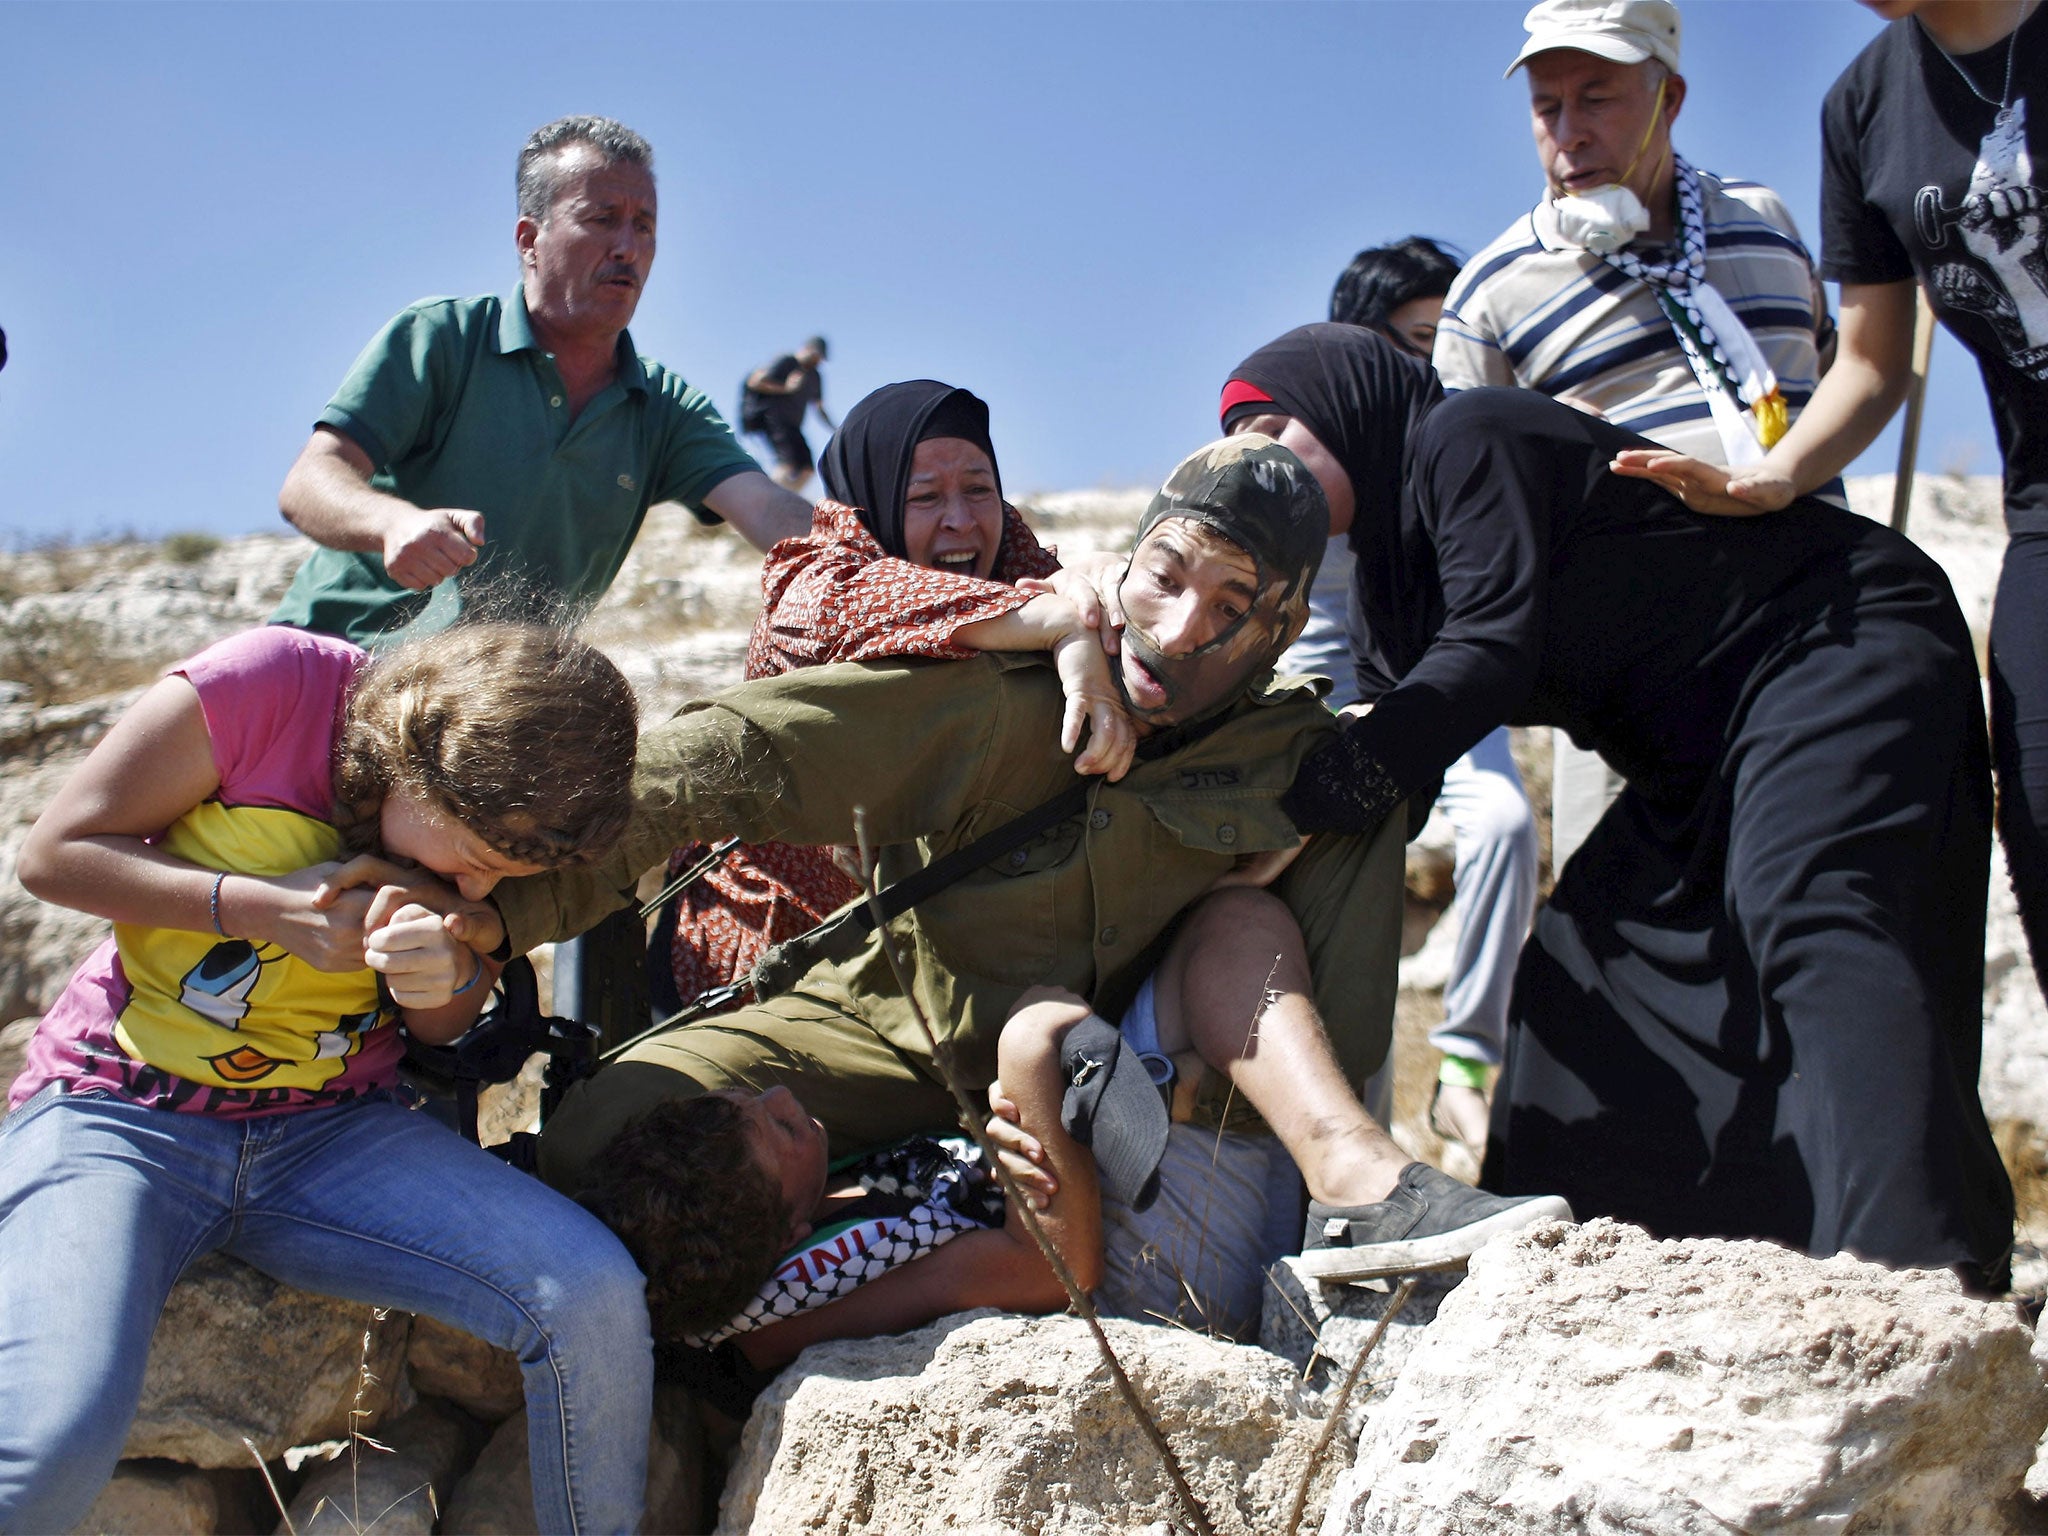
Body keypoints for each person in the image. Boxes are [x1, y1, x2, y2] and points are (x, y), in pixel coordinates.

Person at [466, 435, 1570, 1301]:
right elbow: (731, 762)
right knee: (591, 1145)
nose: (1179, 630)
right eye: (1164, 577)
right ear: (1123, 563)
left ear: (1281, 630)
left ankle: (1342, 1210)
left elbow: (1335, 1029)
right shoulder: (1014, 692)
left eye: (1232, 609)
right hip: (873, 1029)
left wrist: (1161, 1089)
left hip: (1082, 1073)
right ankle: (818, 1277)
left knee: (1217, 974)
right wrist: (493, 909)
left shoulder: (1301, 767)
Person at [1225, 321, 2012, 1292]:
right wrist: (1258, 825)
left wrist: (1310, 800)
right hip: (1697, 759)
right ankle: (1592, 1279)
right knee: (1580, 961)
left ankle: (1923, 1272)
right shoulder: (1390, 585)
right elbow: (1402, 753)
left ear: (1345, 405)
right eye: (1236, 445)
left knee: (1807, 914)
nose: (1256, 465)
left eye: (1272, 430)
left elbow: (1485, 657)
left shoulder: (1466, 438)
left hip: (1829, 644)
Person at [0, 623, 653, 1533]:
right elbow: (54, 854)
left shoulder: (488, 834)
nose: (472, 888)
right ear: (422, 759)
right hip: (120, 1110)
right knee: (47, 1446)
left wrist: (445, 979)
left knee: (591, 1293)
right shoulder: (273, 688)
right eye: (472, 857)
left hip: (333, 1132)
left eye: (499, 878)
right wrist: (268, 912)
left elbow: (445, 1022)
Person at [1612, 0, 2048, 985]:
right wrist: (1768, 478)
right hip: (2040, 505)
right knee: (2034, 814)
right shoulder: (1863, 105)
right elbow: (1867, 361)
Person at [1432, 0, 1838, 872]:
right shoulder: (1492, 294)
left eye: (1598, 97)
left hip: (1819, 647)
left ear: (1670, 99)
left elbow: (1835, 384)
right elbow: (1462, 504)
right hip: (1631, 689)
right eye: (1548, 107)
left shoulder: (1768, 222)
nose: (1568, 132)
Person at [655, 379, 1132, 1018]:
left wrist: (1097, 577)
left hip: (923, 964)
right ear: (873, 503)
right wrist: (1056, 625)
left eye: (978, 489)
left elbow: (1077, 588)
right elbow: (855, 603)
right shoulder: (814, 580)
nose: (960, 519)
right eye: (925, 497)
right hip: (766, 956)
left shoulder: (1014, 561)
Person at [269, 116, 812, 646]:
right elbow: (310, 482)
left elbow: (766, 508)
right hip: (327, 660)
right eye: (602, 218)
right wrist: (392, 523)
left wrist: (873, 562)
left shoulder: (665, 408)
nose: (628, 246)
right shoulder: (442, 337)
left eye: (643, 225)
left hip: (486, 703)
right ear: (529, 240)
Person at [1279, 236, 1539, 1154]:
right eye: (1408, 340)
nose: (1425, 363)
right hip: (1323, 690)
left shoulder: (1451, 443)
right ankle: (1368, 1131)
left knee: (1505, 821)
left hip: (1434, 689)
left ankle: (1465, 1064)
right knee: (1356, 890)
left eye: (1441, 341)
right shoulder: (1304, 441)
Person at [740, 337, 835, 492]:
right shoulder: (786, 361)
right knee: (787, 464)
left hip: (793, 425)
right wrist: (786, 388)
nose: (818, 361)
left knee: (808, 469)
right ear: (808, 349)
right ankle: (763, 501)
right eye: (816, 355)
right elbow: (754, 382)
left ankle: (780, 501)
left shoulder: (815, 376)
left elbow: (819, 407)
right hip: (773, 420)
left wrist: (836, 428)